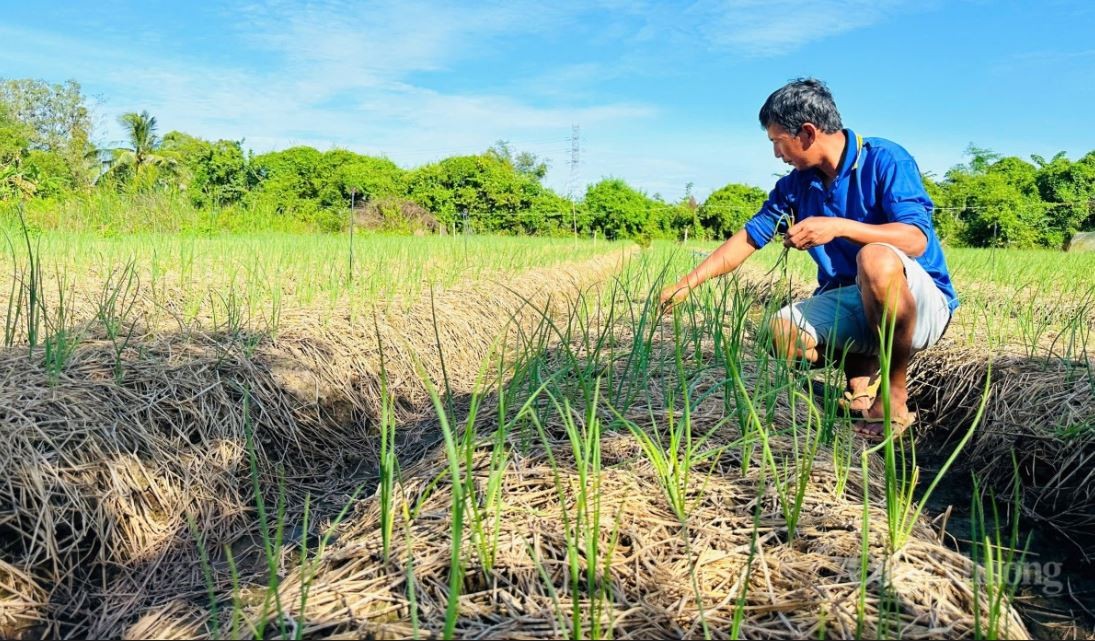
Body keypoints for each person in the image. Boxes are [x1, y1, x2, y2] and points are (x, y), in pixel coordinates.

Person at [659, 78, 958, 440]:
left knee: (875, 258)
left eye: (777, 142)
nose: (776, 155)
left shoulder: (885, 159)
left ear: (807, 132)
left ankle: (894, 395)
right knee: (779, 333)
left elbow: (916, 239)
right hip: (854, 302)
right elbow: (751, 236)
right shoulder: (798, 183)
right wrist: (686, 284)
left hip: (921, 303)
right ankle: (859, 377)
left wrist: (839, 226)